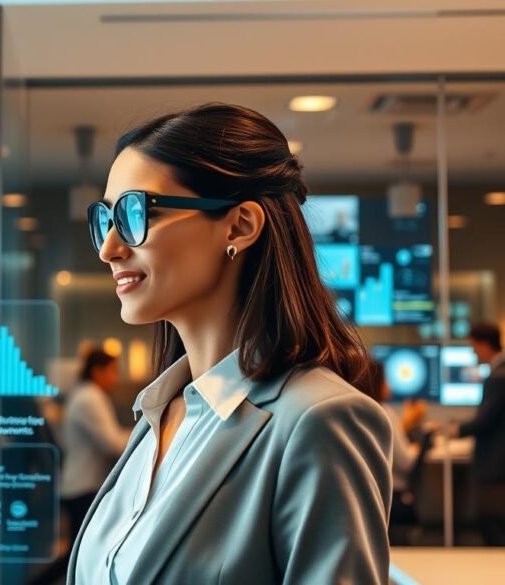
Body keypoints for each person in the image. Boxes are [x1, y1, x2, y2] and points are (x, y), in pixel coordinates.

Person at [70, 103, 392, 584]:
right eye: (107, 218)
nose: (109, 247)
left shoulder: (318, 420)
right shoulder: (159, 414)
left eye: (135, 213)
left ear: (239, 226)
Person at [31, 349, 130, 585]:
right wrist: (147, 435)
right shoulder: (90, 398)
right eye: (112, 371)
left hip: (82, 484)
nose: (115, 378)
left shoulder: (85, 395)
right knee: (78, 555)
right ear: (97, 371)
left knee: (81, 552)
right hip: (82, 486)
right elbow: (112, 444)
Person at [452, 322, 505, 545]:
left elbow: (485, 421)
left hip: (495, 465)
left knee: (492, 524)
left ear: (484, 345)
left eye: (473, 347)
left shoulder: (498, 377)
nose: (473, 354)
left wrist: (457, 430)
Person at [370, 359, 428, 542]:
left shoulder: (363, 409)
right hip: (395, 496)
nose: (389, 385)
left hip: (374, 495)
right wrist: (421, 443)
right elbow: (406, 462)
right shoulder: (384, 411)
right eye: (385, 379)